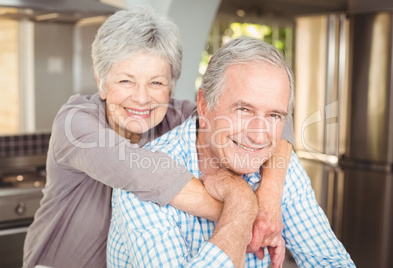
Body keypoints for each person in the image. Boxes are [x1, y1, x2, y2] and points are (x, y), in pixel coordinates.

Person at [23, 7, 295, 268]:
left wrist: (269, 196)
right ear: (101, 82)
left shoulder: (179, 117)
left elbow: (277, 121)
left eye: (156, 82)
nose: (142, 98)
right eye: (125, 81)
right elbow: (139, 171)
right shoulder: (76, 122)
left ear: (171, 87)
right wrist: (245, 206)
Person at [107, 36, 356, 267]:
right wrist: (241, 201)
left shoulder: (278, 167)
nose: (258, 135)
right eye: (243, 110)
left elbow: (330, 260)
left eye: (274, 115)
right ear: (204, 105)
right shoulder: (142, 182)